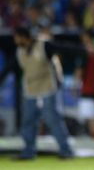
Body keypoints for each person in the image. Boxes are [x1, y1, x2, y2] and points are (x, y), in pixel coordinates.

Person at [0, 27, 74, 159]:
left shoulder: (43, 45)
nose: (15, 40)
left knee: (52, 119)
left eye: (17, 37)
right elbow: (9, 68)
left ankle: (66, 149)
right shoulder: (20, 52)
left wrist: (84, 49)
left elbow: (64, 48)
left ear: (24, 36)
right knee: (28, 121)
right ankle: (29, 151)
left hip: (47, 88)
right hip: (31, 90)